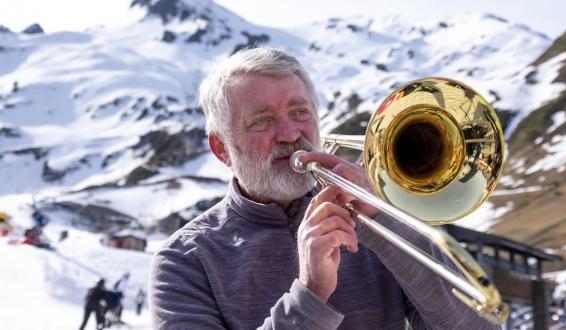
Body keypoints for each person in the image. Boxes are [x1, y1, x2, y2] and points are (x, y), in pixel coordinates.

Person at [149, 47, 500, 329]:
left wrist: (384, 220)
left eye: (300, 113)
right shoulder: (183, 260)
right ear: (222, 148)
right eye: (262, 121)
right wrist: (309, 295)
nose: (290, 134)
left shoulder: (378, 216)